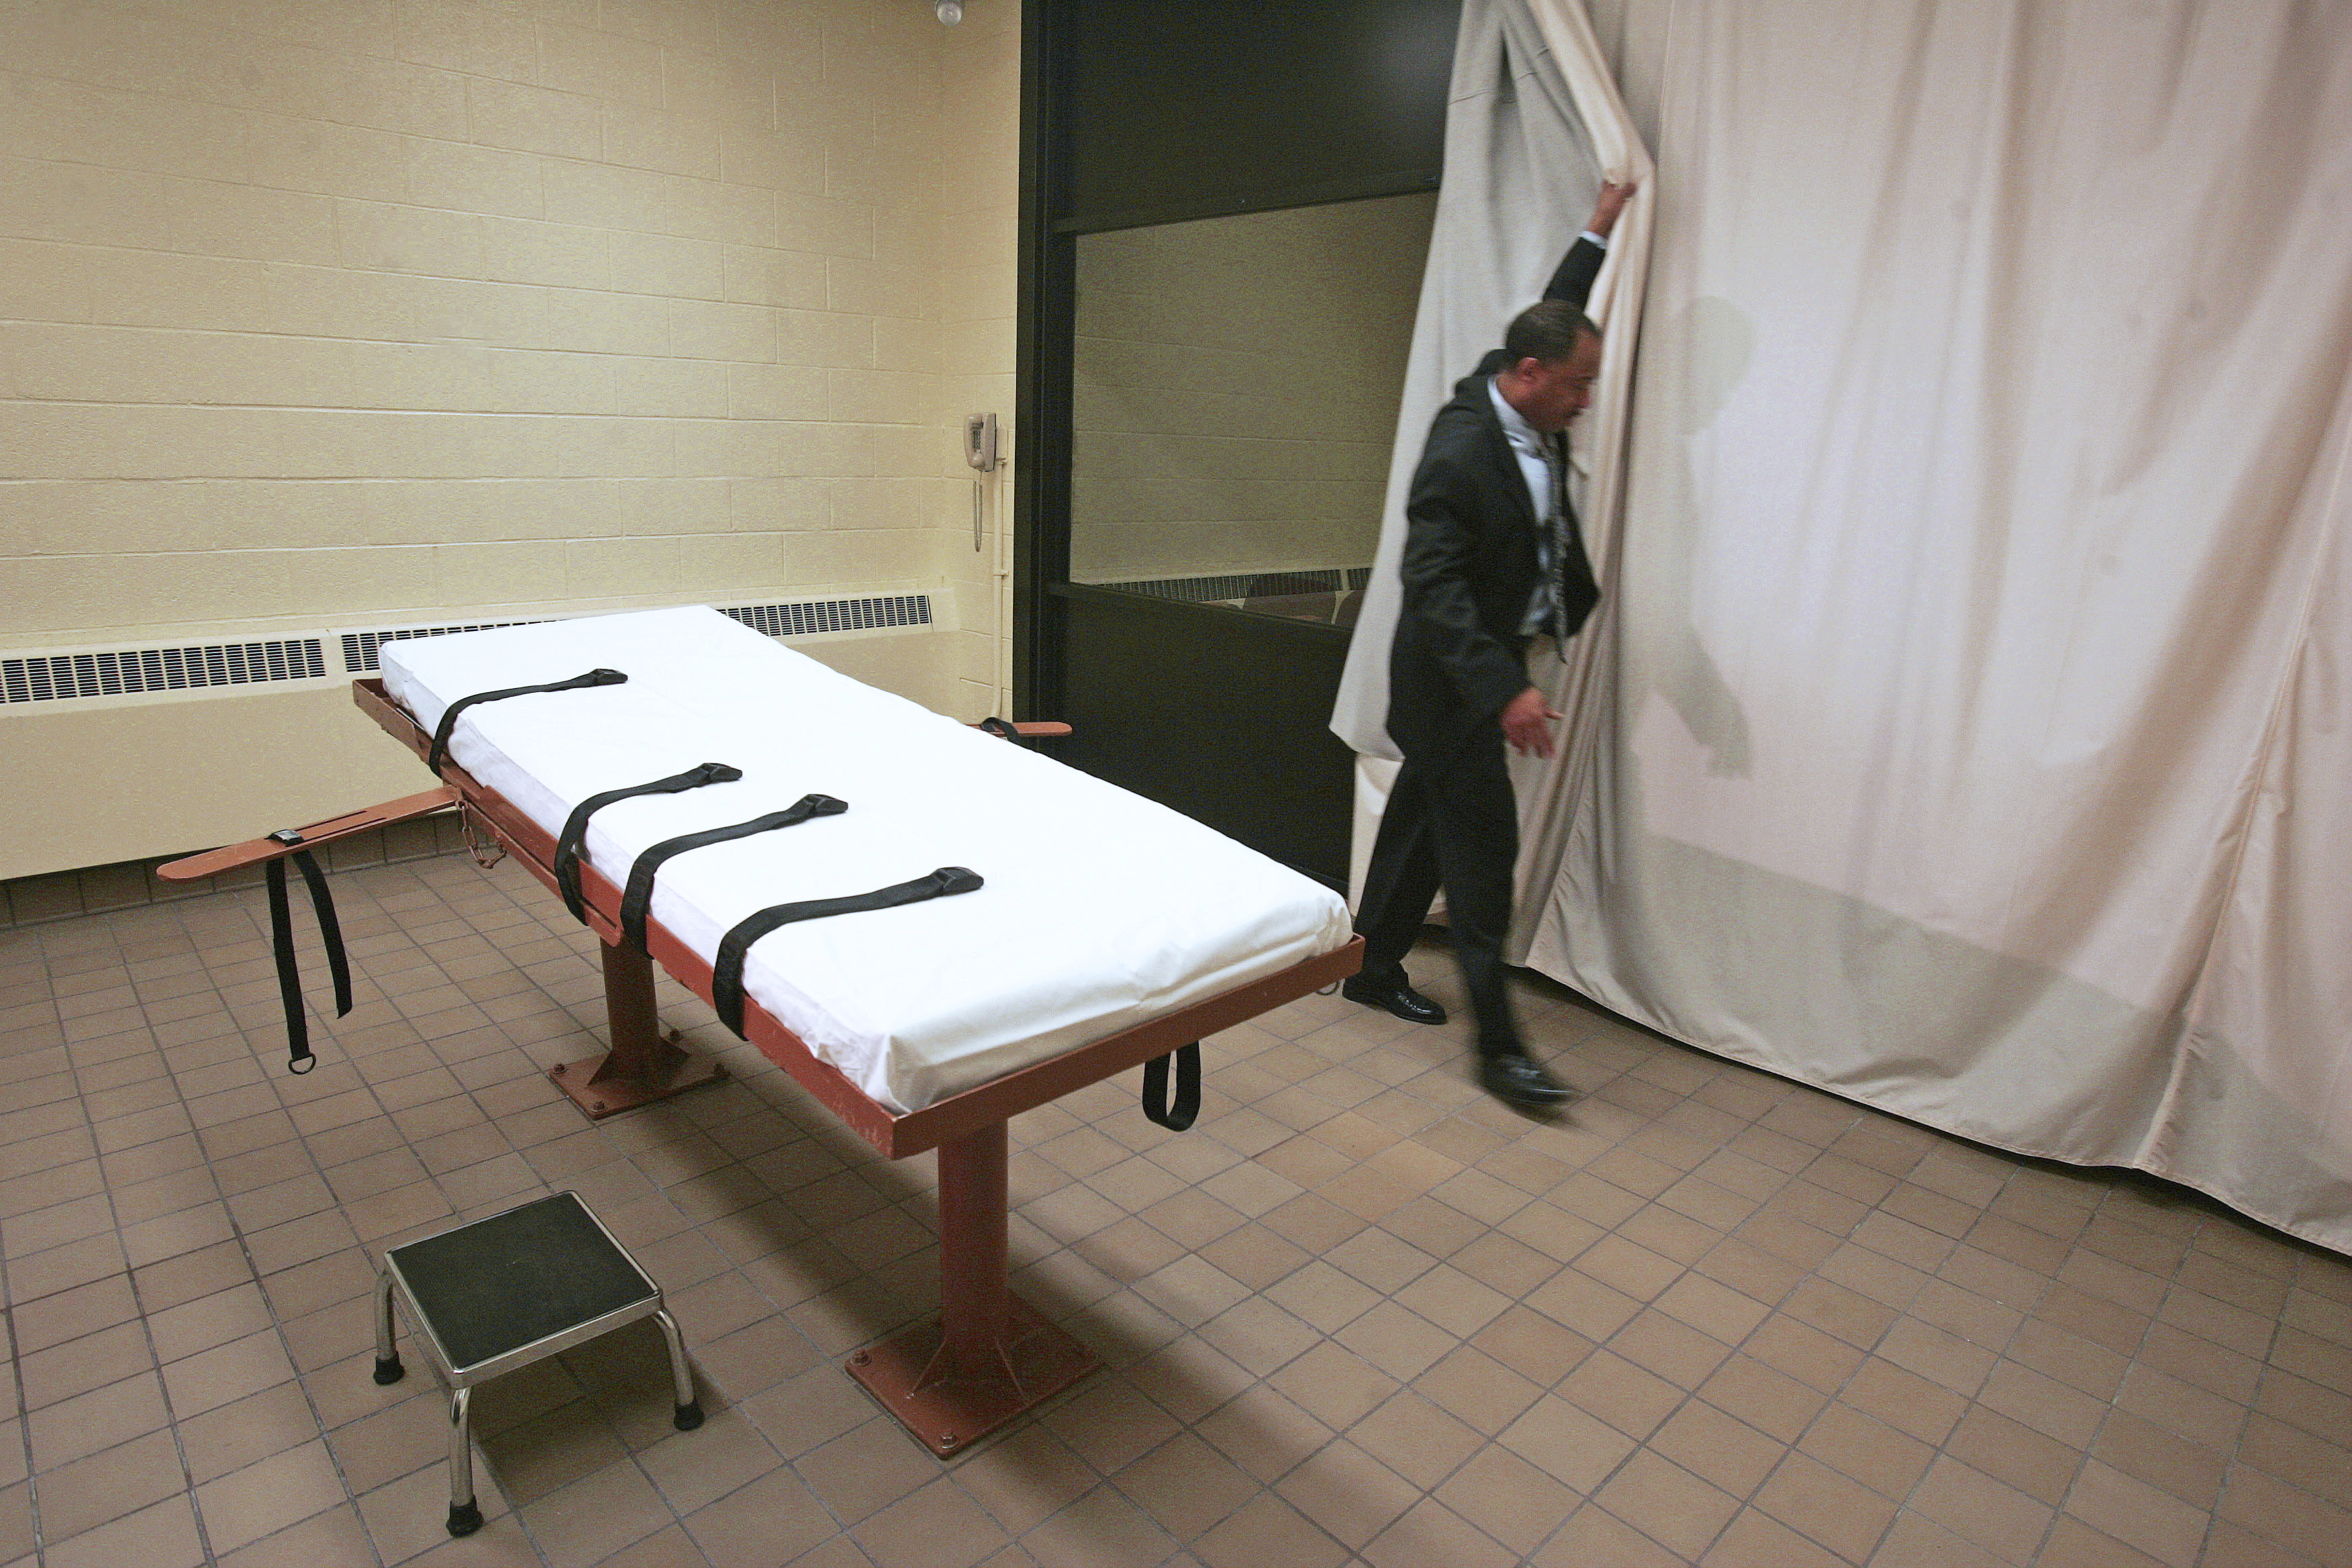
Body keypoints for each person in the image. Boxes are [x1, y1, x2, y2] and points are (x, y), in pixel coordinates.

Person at [1344, 179, 1634, 1110]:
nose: (1587, 401)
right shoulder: (1463, 449)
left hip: (1473, 678)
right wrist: (1504, 688)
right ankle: (1499, 1048)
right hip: (1452, 682)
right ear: (1529, 375)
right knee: (1480, 856)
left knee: (1422, 823)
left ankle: (1371, 961)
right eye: (1580, 385)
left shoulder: (1529, 388)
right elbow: (1432, 589)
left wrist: (1596, 229)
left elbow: (1557, 317)